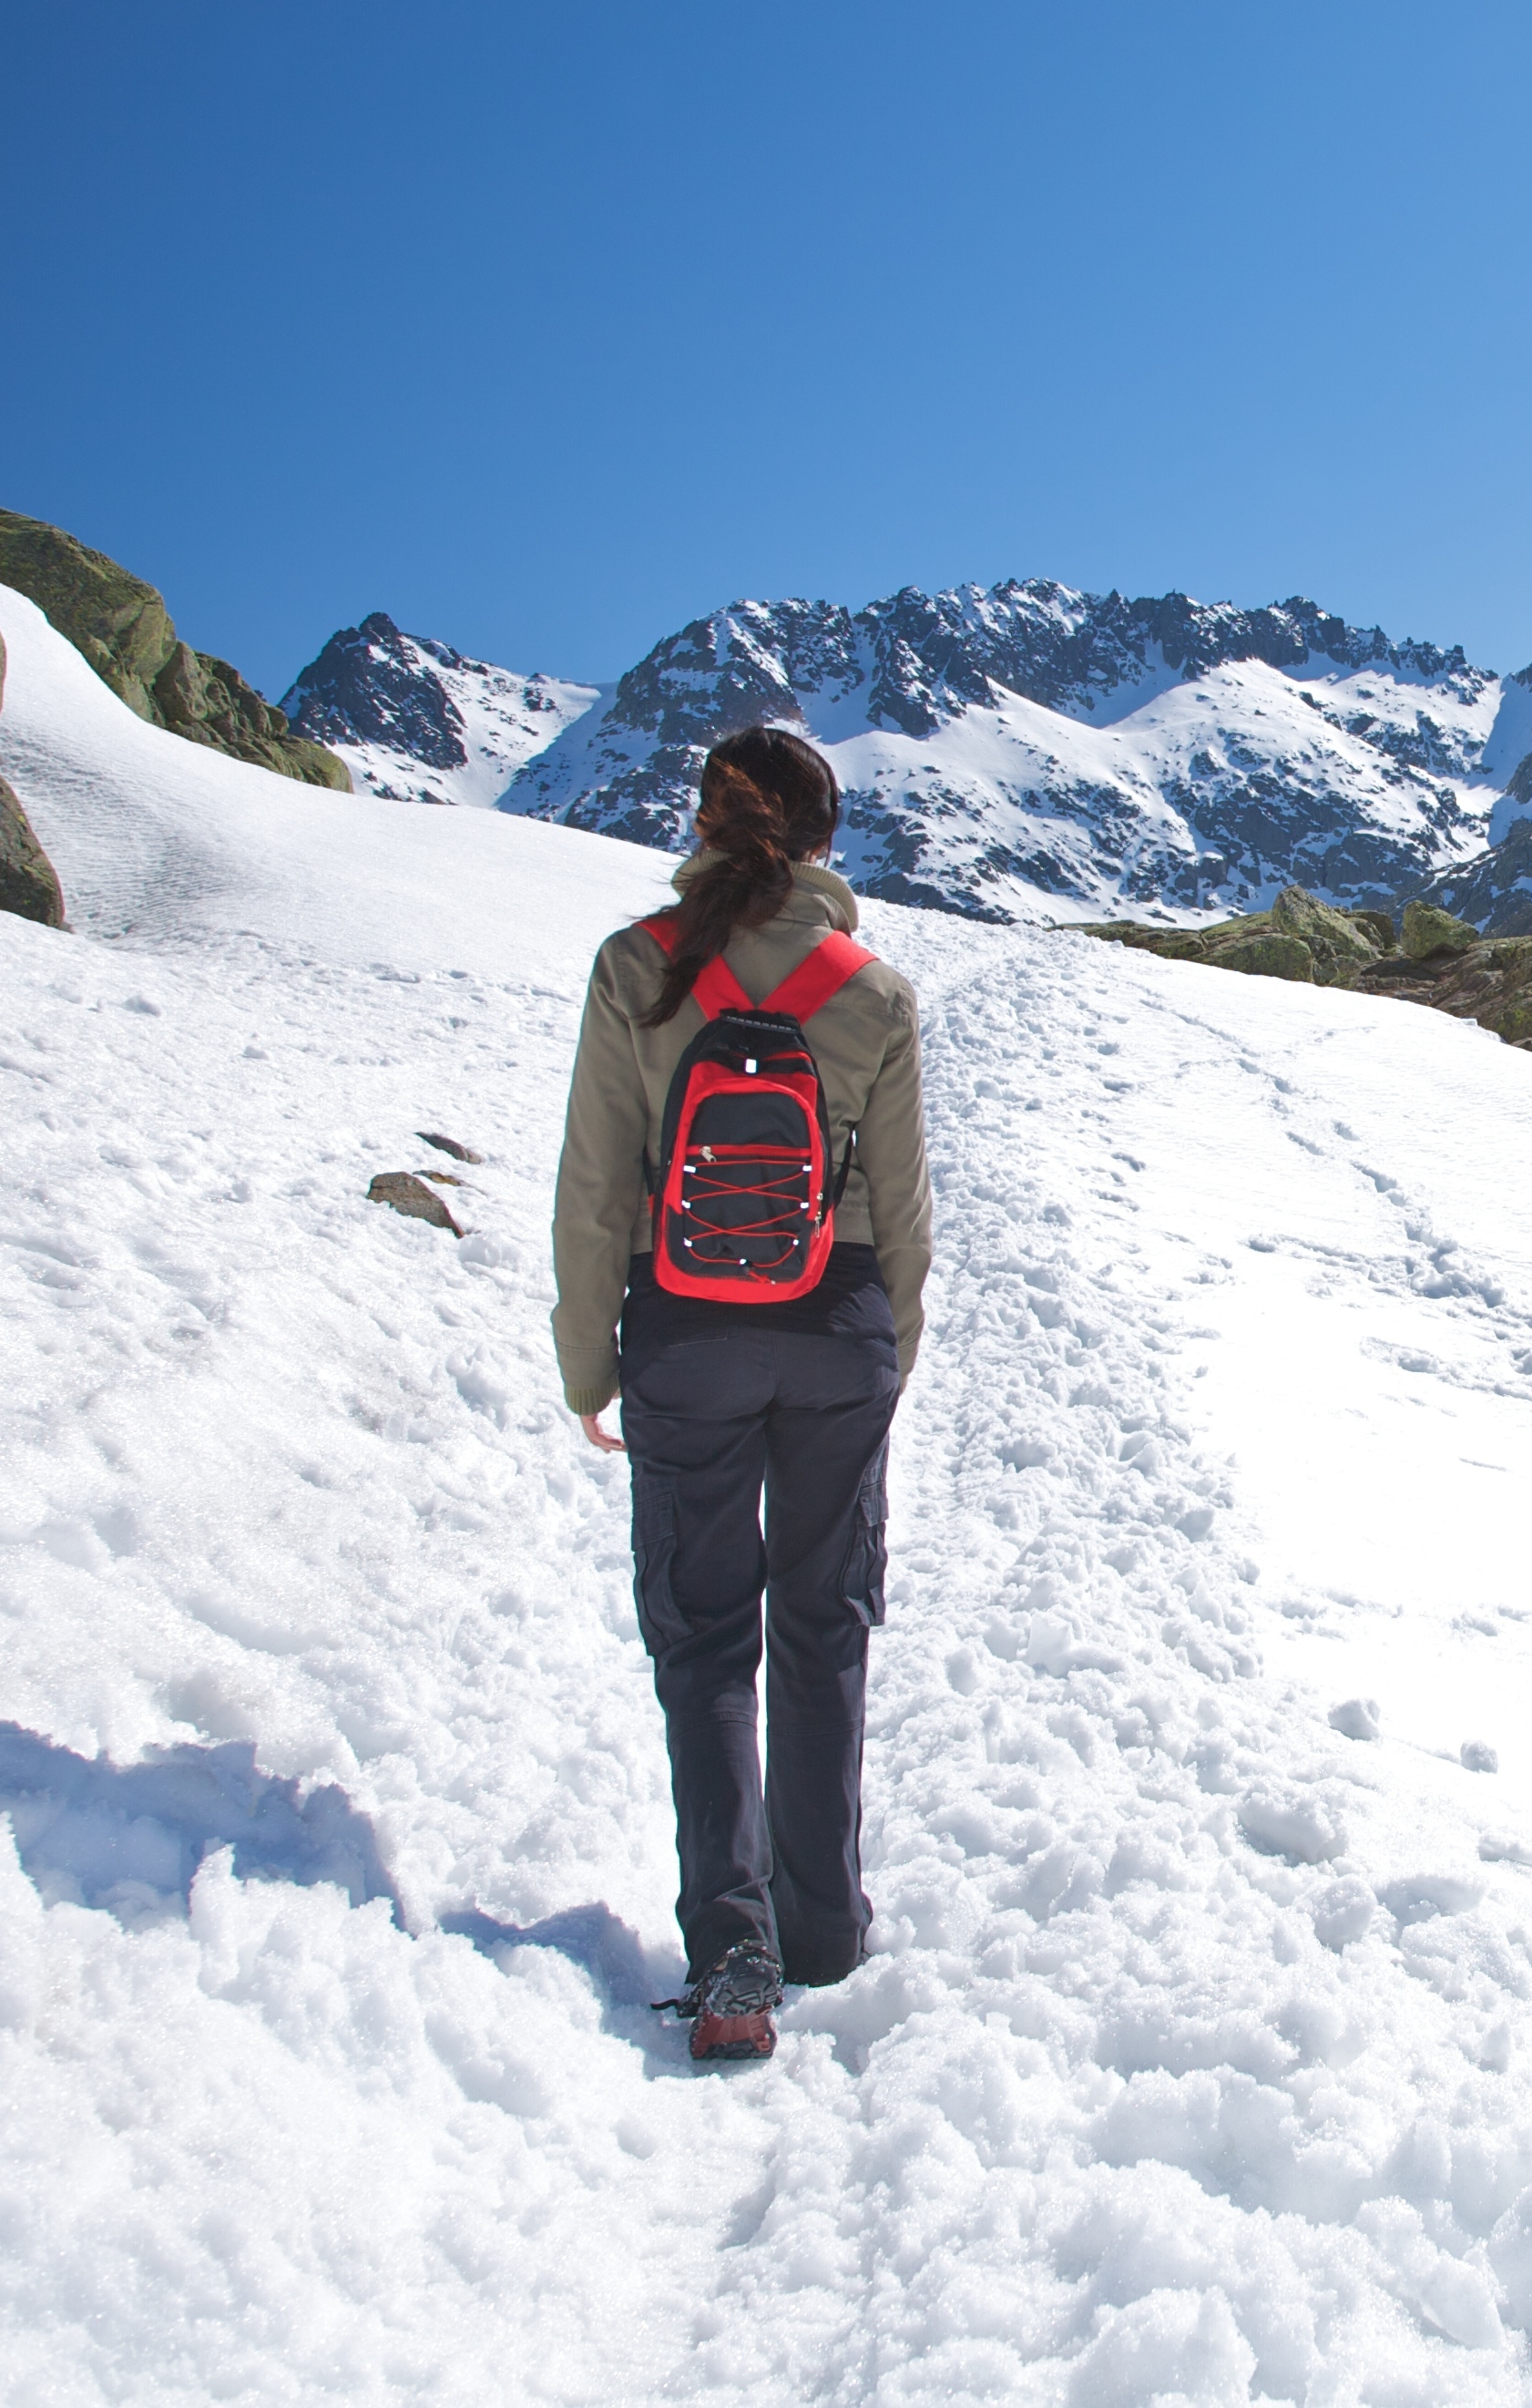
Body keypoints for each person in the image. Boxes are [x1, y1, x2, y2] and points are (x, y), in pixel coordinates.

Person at [551, 726, 931, 2062]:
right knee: (824, 1625)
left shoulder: (636, 968)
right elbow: (908, 1211)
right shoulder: (870, 991)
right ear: (825, 841)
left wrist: (590, 1361)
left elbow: (597, 1185)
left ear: (706, 827)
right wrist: (891, 1353)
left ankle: (734, 1958)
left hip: (686, 1335)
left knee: (706, 1637)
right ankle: (823, 1924)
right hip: (837, 1331)